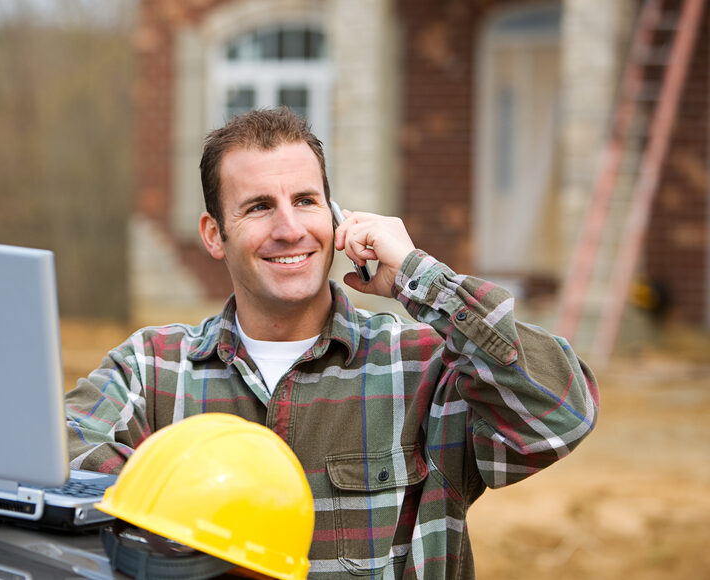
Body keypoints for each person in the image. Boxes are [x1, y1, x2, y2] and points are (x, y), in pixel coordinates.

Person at [66, 107, 598, 579]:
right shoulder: (153, 369)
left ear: (337, 219)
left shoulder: (423, 367)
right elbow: (54, 458)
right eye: (258, 207)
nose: (290, 228)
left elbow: (559, 413)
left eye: (306, 200)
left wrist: (421, 279)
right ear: (213, 234)